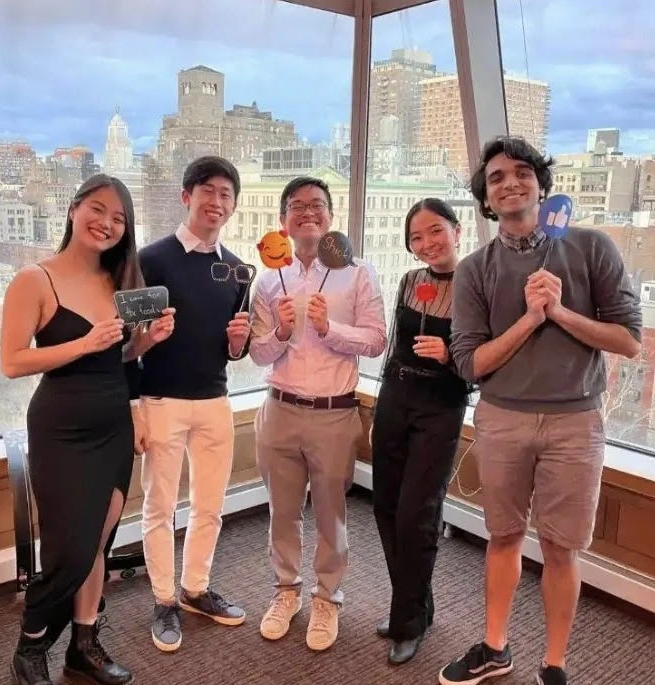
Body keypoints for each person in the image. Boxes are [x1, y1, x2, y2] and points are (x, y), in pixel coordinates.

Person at [440, 136, 642, 685]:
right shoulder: (476, 269)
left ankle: (554, 664)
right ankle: (495, 646)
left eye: (522, 172)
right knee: (503, 536)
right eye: (497, 177)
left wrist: (560, 312)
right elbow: (469, 363)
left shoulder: (591, 247)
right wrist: (530, 319)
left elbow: (628, 340)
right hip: (502, 416)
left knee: (561, 546)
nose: (510, 182)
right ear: (485, 197)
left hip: (577, 422)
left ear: (541, 184)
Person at [0, 174, 174, 685]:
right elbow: (12, 362)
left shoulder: (118, 280)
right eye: (98, 210)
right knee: (67, 547)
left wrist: (146, 344)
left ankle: (84, 643)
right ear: (74, 209)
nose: (107, 224)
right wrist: (84, 343)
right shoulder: (35, 279)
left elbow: (117, 360)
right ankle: (30, 645)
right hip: (61, 426)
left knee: (97, 539)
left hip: (112, 422)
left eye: (119, 219)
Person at [250, 176, 387, 652]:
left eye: (317, 205)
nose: (307, 212)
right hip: (279, 410)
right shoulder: (268, 278)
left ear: (330, 215)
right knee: (282, 512)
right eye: (296, 206)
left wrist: (331, 329)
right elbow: (258, 355)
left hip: (334, 413)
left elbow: (376, 340)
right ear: (284, 220)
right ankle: (285, 591)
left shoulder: (358, 272)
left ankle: (327, 596)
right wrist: (282, 332)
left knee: (332, 514)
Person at [136, 156, 251, 653]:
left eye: (227, 195)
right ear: (187, 196)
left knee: (210, 507)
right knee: (159, 507)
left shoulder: (239, 269)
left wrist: (239, 340)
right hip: (161, 399)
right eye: (208, 191)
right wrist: (134, 403)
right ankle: (163, 600)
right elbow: (126, 340)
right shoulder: (150, 260)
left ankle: (195, 590)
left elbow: (236, 349)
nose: (217, 202)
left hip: (214, 401)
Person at [372, 198, 470, 666]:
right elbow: (395, 342)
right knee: (386, 506)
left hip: (441, 405)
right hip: (396, 396)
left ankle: (408, 622)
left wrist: (449, 356)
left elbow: (483, 361)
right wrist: (383, 392)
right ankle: (415, 606)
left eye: (435, 231)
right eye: (416, 237)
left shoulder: (477, 286)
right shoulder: (411, 281)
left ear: (457, 229)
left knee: (418, 514)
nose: (427, 243)